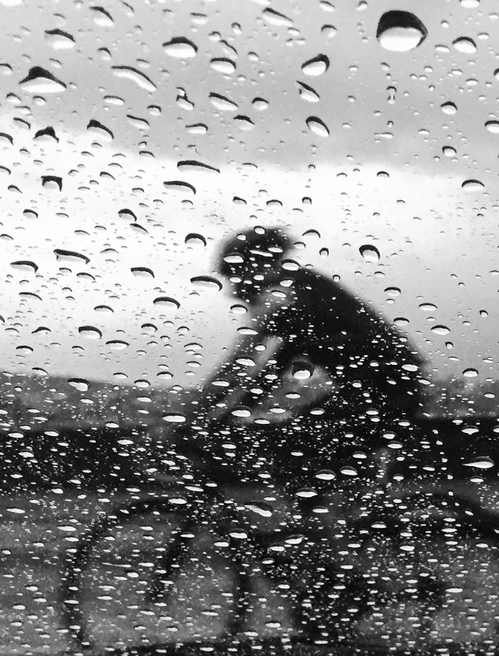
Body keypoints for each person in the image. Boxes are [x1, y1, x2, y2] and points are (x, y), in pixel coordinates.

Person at [184, 225, 430, 642]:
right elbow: (250, 367)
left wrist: (206, 419)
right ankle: (328, 582)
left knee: (292, 458)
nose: (233, 289)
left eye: (235, 276)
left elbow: (258, 367)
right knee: (296, 471)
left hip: (387, 391)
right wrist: (206, 413)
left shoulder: (293, 292)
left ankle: (340, 583)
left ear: (256, 267)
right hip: (370, 390)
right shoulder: (294, 289)